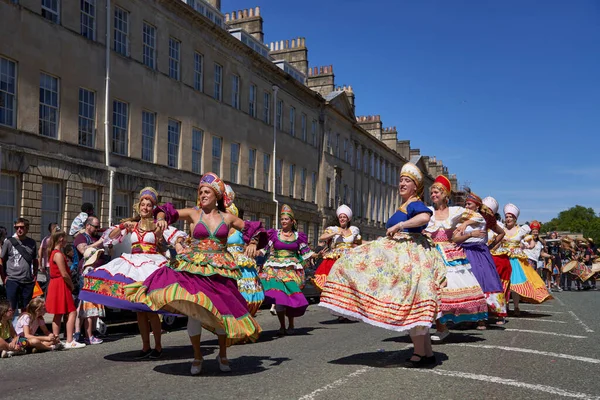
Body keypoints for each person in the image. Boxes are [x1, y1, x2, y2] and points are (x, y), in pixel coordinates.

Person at [126, 172, 265, 375]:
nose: (203, 195)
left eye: (207, 192)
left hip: (219, 270)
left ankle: (223, 354)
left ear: (216, 195)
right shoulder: (193, 213)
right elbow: (165, 210)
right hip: (194, 268)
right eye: (200, 192)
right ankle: (198, 356)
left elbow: (256, 230)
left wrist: (253, 242)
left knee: (221, 315)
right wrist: (163, 218)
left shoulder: (228, 217)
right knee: (195, 314)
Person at [320, 163, 447, 368]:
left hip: (411, 257)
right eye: (401, 180)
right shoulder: (404, 206)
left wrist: (400, 225)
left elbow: (425, 216)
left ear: (416, 187)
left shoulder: (414, 203)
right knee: (413, 305)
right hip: (403, 255)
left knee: (410, 303)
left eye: (407, 181)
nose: (402, 184)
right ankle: (426, 352)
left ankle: (420, 353)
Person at [80, 187, 187, 359]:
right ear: (139, 207)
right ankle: (145, 346)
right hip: (134, 266)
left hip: (152, 266)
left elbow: (177, 236)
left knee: (151, 310)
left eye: (149, 205)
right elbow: (110, 238)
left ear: (153, 208)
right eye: (143, 204)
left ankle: (158, 346)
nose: (145, 207)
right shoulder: (133, 226)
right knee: (139, 311)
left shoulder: (157, 225)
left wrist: (179, 244)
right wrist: (123, 225)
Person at [425, 176, 488, 341]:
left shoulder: (455, 212)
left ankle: (442, 327)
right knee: (430, 290)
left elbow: (479, 217)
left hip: (448, 253)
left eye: (436, 192)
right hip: (430, 253)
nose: (433, 194)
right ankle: (438, 327)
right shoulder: (428, 212)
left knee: (446, 292)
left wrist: (465, 225)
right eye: (432, 192)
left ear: (445, 194)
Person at [259, 204, 314, 336]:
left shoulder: (298, 236)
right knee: (279, 298)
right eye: (282, 219)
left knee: (290, 298)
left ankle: (291, 324)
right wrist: (255, 252)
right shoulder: (274, 235)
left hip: (292, 270)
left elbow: (306, 252)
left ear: (292, 221)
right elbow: (264, 249)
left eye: (286, 219)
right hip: (275, 268)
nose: (283, 221)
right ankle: (282, 325)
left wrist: (315, 255)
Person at [457, 192, 507, 327]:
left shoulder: (482, 218)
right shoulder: (461, 217)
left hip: (479, 252)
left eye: (469, 204)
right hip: (463, 251)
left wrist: (490, 245)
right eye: (465, 204)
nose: (466, 206)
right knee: (464, 284)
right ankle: (466, 316)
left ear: (477, 206)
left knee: (482, 282)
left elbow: (501, 232)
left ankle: (482, 318)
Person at [496, 204, 552, 316]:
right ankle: (505, 307)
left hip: (516, 260)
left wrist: (524, 246)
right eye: (506, 217)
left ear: (515, 218)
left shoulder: (521, 230)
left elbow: (531, 243)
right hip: (503, 258)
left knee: (516, 285)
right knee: (504, 284)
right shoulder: (501, 229)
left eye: (510, 217)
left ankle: (516, 307)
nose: (508, 219)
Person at [45, 230, 86, 349]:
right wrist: (72, 286)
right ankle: (69, 340)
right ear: (61, 239)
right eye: (65, 237)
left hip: (55, 283)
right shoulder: (58, 254)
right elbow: (64, 274)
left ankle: (57, 340)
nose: (66, 240)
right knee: (72, 311)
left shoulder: (53, 252)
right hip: (60, 284)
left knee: (58, 313)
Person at [225, 197, 264, 317]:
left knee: (244, 294)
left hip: (241, 263)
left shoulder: (240, 229)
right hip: (226, 261)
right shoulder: (221, 229)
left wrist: (253, 243)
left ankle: (245, 320)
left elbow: (257, 230)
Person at [313, 205, 361, 293]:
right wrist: (335, 233)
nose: (342, 219)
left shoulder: (353, 230)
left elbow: (359, 242)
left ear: (348, 219)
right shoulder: (334, 229)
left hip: (349, 258)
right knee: (336, 281)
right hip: (337, 258)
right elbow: (322, 237)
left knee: (350, 283)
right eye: (340, 217)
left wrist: (374, 242)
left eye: (344, 217)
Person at [73, 216, 106, 345]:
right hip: (86, 274)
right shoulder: (81, 238)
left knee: (95, 305)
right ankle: (78, 332)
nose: (98, 229)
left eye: (98, 227)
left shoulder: (97, 237)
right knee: (84, 304)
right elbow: (84, 250)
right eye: (95, 226)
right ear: (88, 226)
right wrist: (99, 243)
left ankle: (92, 331)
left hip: (98, 274)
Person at [0, 218, 38, 313]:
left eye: (21, 227)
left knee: (26, 309)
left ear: (27, 228)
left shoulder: (32, 243)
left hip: (27, 281)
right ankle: (9, 327)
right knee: (10, 309)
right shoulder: (8, 242)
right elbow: (1, 260)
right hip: (13, 280)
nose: (19, 230)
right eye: (17, 228)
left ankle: (24, 327)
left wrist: (35, 275)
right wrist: (3, 277)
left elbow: (35, 260)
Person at [37, 223, 59, 296]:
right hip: (49, 265)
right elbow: (40, 252)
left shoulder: (54, 239)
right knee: (50, 283)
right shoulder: (47, 239)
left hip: (54, 264)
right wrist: (40, 265)